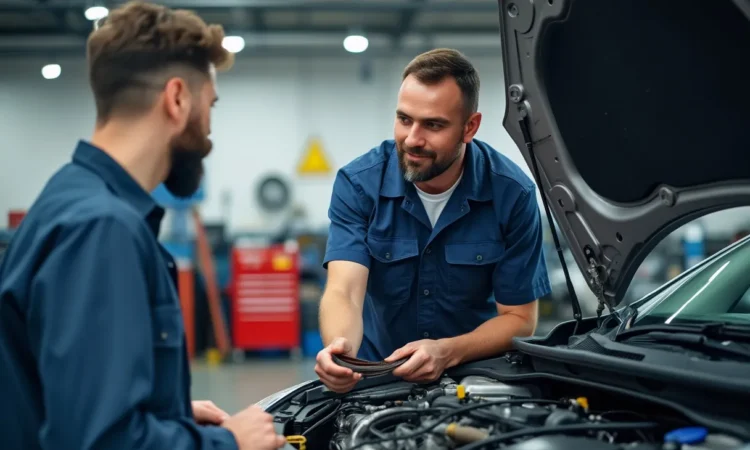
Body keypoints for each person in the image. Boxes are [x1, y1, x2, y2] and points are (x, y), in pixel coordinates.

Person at [0, 2, 285, 449]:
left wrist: (165, 412)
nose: (210, 132)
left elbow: (62, 397)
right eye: (210, 106)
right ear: (176, 99)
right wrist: (229, 444)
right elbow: (99, 442)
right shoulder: (101, 229)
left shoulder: (69, 196)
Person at [314, 48, 551, 393]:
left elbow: (519, 319)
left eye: (433, 125)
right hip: (377, 376)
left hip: (477, 379)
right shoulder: (359, 184)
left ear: (470, 127)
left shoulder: (513, 195)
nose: (412, 139)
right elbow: (345, 291)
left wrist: (447, 352)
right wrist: (340, 350)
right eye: (404, 119)